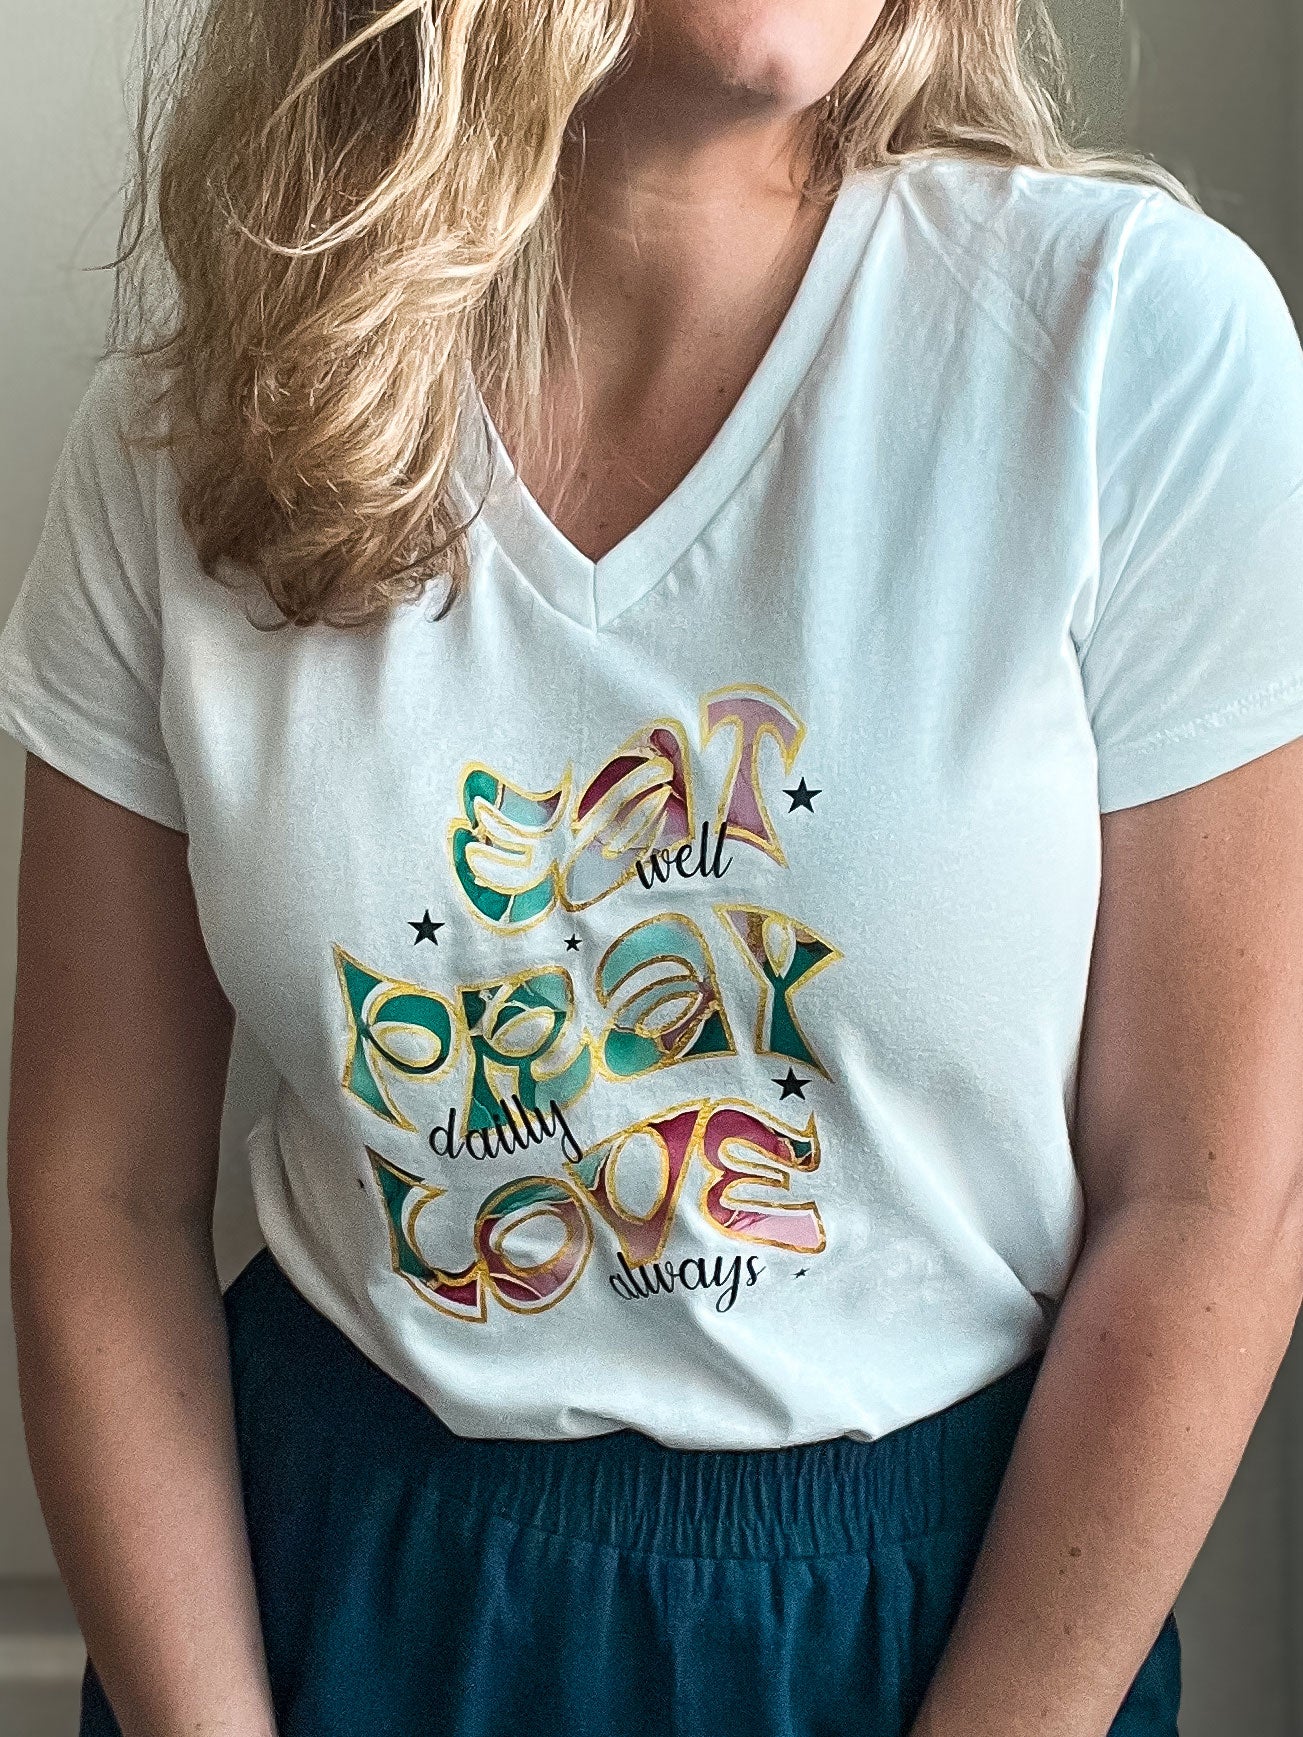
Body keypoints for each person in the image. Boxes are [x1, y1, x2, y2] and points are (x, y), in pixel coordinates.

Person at [4, 0, 1303, 1732]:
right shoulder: (187, 447)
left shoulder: (1133, 349)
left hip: (937, 1625)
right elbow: (100, 1188)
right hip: (318, 1596)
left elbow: (1218, 1198)